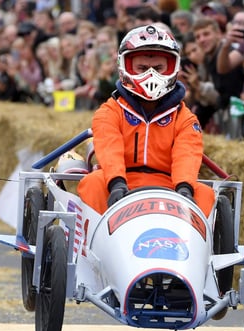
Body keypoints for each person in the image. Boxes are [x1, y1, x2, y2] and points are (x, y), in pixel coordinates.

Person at [77, 24, 215, 218]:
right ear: (124, 66)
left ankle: (190, 244)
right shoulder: (110, 111)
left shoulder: (185, 117)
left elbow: (188, 154)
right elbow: (109, 149)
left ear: (173, 68)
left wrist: (184, 189)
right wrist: (116, 183)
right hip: (121, 181)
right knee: (93, 184)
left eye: (159, 68)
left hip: (169, 185)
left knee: (205, 194)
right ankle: (97, 244)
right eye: (141, 68)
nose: (151, 75)